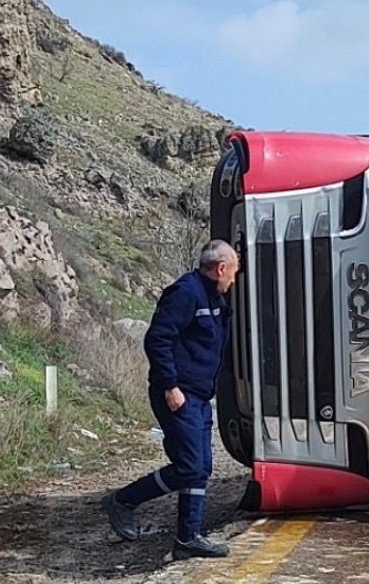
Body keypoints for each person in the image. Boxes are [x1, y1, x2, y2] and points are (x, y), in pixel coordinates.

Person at [102, 239, 239, 560]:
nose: (234, 279)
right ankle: (124, 501)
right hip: (179, 394)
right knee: (191, 466)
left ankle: (188, 538)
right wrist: (170, 385)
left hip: (200, 396)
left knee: (200, 467)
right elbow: (158, 339)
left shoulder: (215, 297)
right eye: (233, 272)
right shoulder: (186, 293)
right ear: (221, 268)